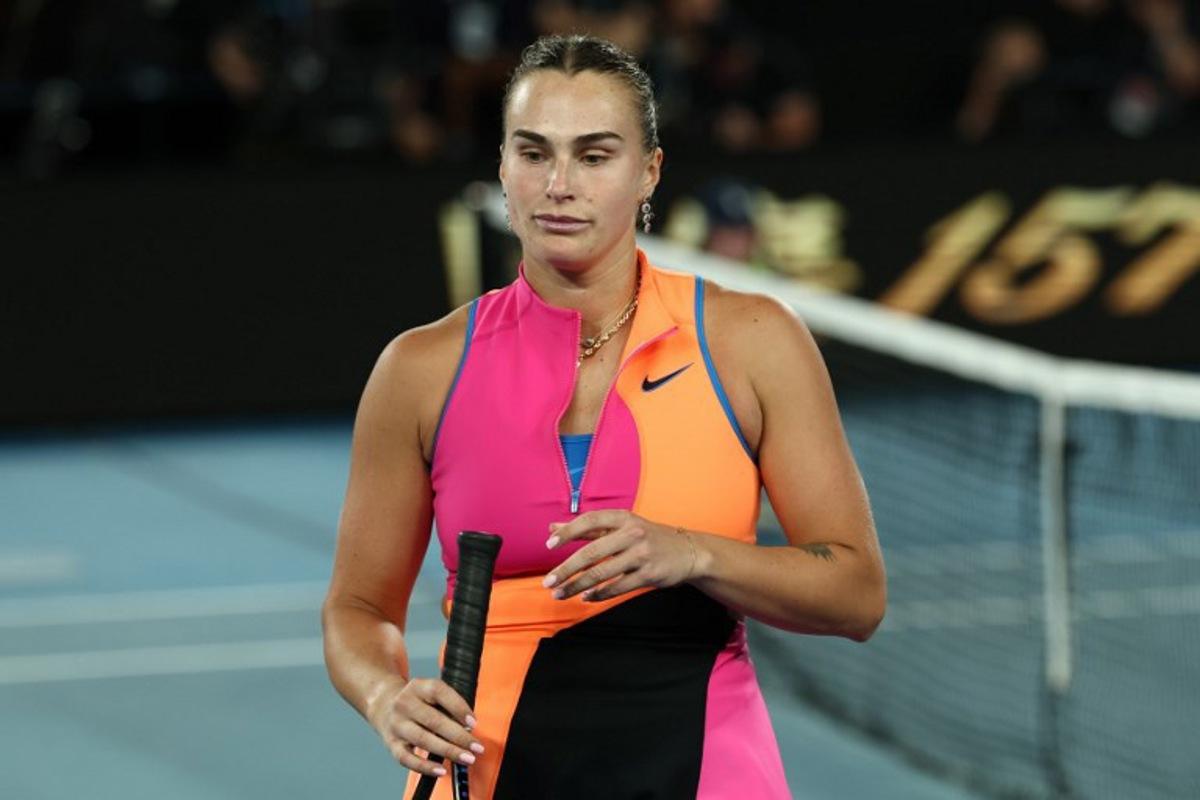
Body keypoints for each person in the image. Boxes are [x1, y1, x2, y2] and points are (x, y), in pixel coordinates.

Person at [322, 33, 886, 799]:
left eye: (594, 156)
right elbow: (358, 609)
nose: (559, 185)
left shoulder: (754, 341)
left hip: (703, 766)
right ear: (502, 167)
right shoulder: (418, 370)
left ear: (649, 171)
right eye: (534, 153)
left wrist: (694, 553)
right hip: (484, 773)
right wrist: (386, 696)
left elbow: (857, 594)